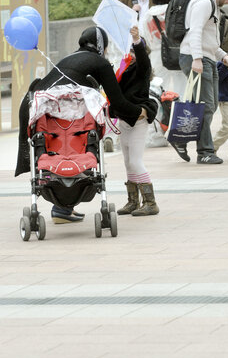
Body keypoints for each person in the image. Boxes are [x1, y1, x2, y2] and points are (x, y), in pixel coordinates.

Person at [15, 26, 146, 223]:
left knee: (56, 149)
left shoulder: (69, 59)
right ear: (102, 46)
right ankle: (63, 208)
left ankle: (62, 209)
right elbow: (117, 101)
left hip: (37, 109)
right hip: (64, 113)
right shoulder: (99, 63)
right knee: (76, 145)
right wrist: (140, 113)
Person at [175, 0, 228, 164]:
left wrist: (223, 56)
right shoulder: (204, 2)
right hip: (197, 57)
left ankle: (182, 140)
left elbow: (208, 38)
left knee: (208, 105)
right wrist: (197, 59)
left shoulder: (210, 3)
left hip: (206, 57)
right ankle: (204, 152)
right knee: (205, 105)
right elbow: (195, 31)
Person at [111, 25, 159, 216]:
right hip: (125, 119)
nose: (130, 52)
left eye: (133, 49)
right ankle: (133, 201)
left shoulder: (142, 68)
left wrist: (137, 40)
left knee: (136, 160)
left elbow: (144, 61)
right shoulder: (124, 66)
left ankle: (151, 202)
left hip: (138, 120)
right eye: (129, 49)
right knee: (127, 161)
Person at [142, 0, 187, 96]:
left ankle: (160, 113)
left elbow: (145, 38)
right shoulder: (175, 12)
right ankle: (177, 112)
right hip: (177, 52)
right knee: (181, 87)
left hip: (156, 55)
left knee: (158, 89)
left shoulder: (147, 16)